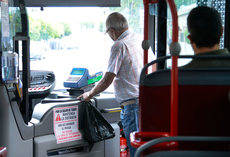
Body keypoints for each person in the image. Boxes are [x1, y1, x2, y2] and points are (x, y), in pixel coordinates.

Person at [78, 12, 143, 157]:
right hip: (147, 105)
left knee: (135, 151)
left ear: (112, 31)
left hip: (132, 107)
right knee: (143, 149)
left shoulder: (119, 45)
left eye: (109, 34)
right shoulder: (140, 40)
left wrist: (89, 94)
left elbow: (108, 78)